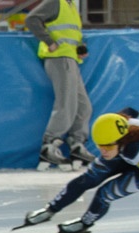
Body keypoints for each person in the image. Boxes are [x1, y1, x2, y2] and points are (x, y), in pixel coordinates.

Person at [18, 108, 139, 233]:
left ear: (121, 141)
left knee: (104, 193)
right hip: (124, 150)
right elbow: (131, 111)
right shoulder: (115, 127)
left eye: (107, 146)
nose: (103, 151)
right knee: (87, 179)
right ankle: (50, 210)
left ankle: (85, 222)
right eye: (100, 146)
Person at [25, 0, 94, 169]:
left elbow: (71, 35)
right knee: (66, 103)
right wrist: (49, 42)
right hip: (59, 59)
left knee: (84, 106)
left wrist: (80, 47)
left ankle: (77, 144)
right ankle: (49, 145)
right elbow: (31, 19)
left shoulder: (70, 6)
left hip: (70, 59)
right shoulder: (55, 2)